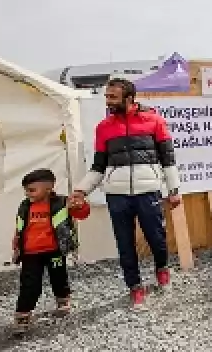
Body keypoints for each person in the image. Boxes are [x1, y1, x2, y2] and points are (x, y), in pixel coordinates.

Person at [71, 78, 181, 309]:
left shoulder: (155, 121)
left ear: (129, 98)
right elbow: (98, 168)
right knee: (124, 243)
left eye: (113, 97)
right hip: (117, 195)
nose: (108, 101)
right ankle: (135, 286)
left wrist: (173, 190)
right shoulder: (103, 127)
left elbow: (168, 160)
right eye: (106, 96)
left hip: (148, 192)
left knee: (157, 238)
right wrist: (81, 190)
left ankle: (162, 269)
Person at [13, 169, 90, 334]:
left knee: (59, 276)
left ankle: (63, 300)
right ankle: (23, 314)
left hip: (55, 250)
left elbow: (82, 214)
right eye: (26, 190)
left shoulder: (62, 202)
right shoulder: (24, 206)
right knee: (29, 283)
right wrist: (16, 246)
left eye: (32, 190)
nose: (28, 193)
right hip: (30, 254)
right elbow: (20, 227)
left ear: (49, 188)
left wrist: (81, 205)